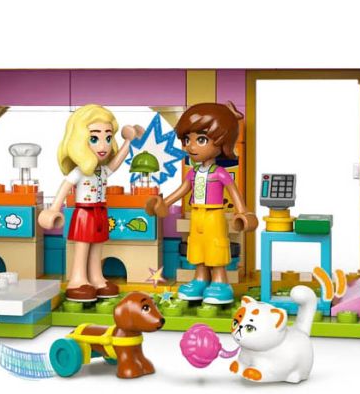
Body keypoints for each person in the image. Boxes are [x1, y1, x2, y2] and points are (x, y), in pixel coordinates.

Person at [146, 102, 258, 304]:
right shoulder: (193, 173)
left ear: (223, 143)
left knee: (215, 247)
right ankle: (200, 279)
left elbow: (234, 192)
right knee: (197, 247)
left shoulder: (220, 173)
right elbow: (181, 190)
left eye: (201, 140)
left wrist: (243, 211)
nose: (191, 146)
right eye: (187, 140)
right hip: (197, 215)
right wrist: (164, 203)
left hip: (214, 216)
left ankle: (220, 282)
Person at [39, 104, 143, 302]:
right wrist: (54, 208)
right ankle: (77, 280)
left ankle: (96, 278)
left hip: (100, 212)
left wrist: (128, 142)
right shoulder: (79, 171)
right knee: (82, 247)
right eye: (94, 139)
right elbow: (64, 187)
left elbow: (115, 163)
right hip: (84, 213)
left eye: (108, 138)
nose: (103, 146)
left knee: (97, 246)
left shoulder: (101, 170)